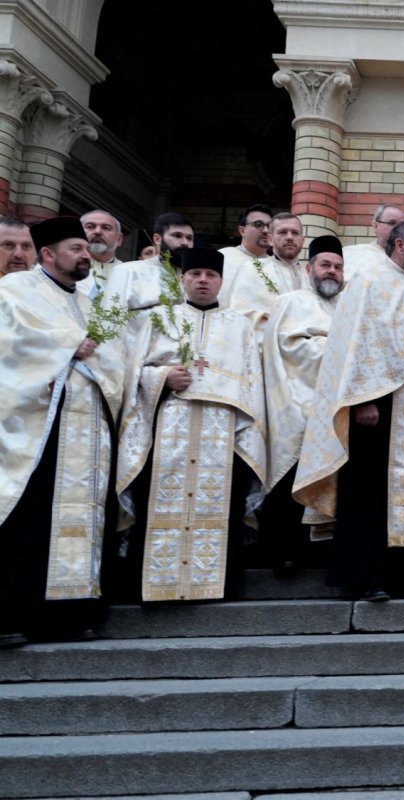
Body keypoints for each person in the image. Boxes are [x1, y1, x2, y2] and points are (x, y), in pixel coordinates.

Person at [294, 222, 404, 601]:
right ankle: (369, 578)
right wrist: (363, 399)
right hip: (380, 405)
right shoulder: (370, 282)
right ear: (400, 244)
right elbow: (356, 343)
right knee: (371, 491)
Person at [113, 247, 266, 603]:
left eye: (210, 275)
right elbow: (133, 372)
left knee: (220, 504)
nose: (202, 280)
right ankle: (154, 586)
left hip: (222, 432)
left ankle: (213, 587)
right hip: (169, 427)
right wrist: (163, 376)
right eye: (195, 274)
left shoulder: (240, 326)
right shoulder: (159, 318)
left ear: (221, 282)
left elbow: (252, 383)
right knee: (159, 501)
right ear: (182, 278)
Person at [0, 216, 127, 644]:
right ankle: (15, 616)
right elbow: (10, 345)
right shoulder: (14, 291)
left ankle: (72, 613)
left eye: (85, 248)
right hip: (40, 427)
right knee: (31, 518)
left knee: (82, 520)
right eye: (75, 248)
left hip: (87, 430)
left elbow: (112, 358)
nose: (85, 253)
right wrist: (64, 347)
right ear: (48, 254)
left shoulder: (90, 305)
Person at [259, 235, 345, 573]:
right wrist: (339, 354)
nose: (332, 272)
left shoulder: (349, 303)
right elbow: (289, 347)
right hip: (296, 400)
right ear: (309, 269)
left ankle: (322, 554)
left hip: (338, 406)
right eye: (325, 265)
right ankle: (285, 552)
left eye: (338, 267)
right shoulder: (291, 301)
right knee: (290, 479)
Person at [219, 211, 307, 328]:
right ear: (270, 239)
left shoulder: (310, 276)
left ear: (302, 240)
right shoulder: (253, 268)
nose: (289, 237)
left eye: (295, 233)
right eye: (282, 232)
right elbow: (239, 314)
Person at [105, 212, 195, 310]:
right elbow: (109, 316)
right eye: (177, 236)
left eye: (189, 238)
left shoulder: (201, 278)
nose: (185, 243)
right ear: (157, 239)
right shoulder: (128, 271)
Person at [341, 204, 404, 281]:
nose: (398, 228)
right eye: (391, 223)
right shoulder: (350, 253)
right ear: (375, 226)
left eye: (403, 225)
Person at [77, 209, 125, 293]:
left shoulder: (128, 273)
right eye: (90, 226)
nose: (97, 231)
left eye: (106, 228)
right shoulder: (62, 267)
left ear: (119, 239)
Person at [218, 203, 273, 274]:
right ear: (242, 231)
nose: (266, 230)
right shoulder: (224, 257)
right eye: (258, 224)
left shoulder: (276, 266)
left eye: (270, 226)